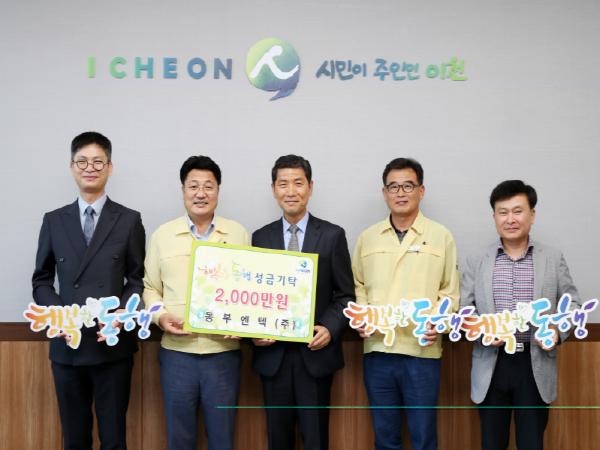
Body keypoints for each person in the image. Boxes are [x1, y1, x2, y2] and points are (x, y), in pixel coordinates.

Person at [32, 131, 146, 450]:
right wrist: (60, 316)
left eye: (98, 161)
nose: (90, 168)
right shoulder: (54, 220)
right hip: (67, 348)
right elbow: (41, 280)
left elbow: (137, 279)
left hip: (112, 345)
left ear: (110, 167)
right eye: (82, 161)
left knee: (114, 440)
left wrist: (121, 314)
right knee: (74, 440)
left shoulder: (129, 220)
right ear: (72, 167)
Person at [460, 180, 580, 450]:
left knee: (531, 443)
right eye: (503, 212)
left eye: (517, 211)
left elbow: (572, 304)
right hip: (491, 364)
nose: (510, 219)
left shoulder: (552, 258)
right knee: (492, 443)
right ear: (494, 217)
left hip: (534, 363)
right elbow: (464, 310)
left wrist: (557, 331)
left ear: (532, 214)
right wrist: (482, 331)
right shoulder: (477, 260)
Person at [352, 157, 459, 450]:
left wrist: (439, 322)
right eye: (394, 187)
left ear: (421, 191)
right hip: (378, 350)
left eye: (408, 186)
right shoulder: (368, 238)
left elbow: (450, 292)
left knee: (424, 437)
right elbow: (358, 285)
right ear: (384, 193)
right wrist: (362, 317)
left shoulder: (441, 236)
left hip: (421, 353)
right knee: (385, 437)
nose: (401, 193)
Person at [143, 155, 249, 450]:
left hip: (222, 354)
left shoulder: (237, 234)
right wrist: (160, 317)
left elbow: (249, 291)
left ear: (218, 191)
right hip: (177, 354)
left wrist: (244, 324)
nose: (200, 193)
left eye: (208, 186)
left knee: (222, 438)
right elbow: (150, 288)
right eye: (193, 186)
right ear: (183, 190)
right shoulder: (163, 235)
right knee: (180, 438)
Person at [251, 154, 355, 450]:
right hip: (273, 357)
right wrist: (254, 332)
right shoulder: (260, 237)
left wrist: (330, 328)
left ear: (310, 187)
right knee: (278, 441)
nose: (291, 191)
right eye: (283, 184)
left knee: (316, 440)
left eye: (298, 183)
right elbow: (251, 298)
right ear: (274, 189)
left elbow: (345, 295)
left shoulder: (332, 235)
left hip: (315, 355)